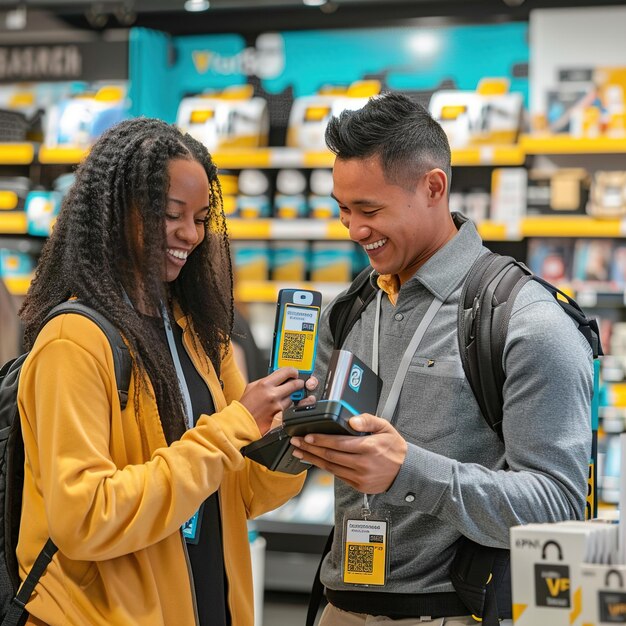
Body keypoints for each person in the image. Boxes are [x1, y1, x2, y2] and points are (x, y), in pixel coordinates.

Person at [289, 92, 593, 625]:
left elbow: (557, 506)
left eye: (370, 210)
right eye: (343, 210)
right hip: (339, 605)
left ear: (434, 187)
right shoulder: (352, 307)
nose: (354, 229)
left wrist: (408, 471)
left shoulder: (527, 321)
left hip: (453, 613)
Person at [16, 117, 313, 626]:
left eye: (200, 217)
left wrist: (293, 440)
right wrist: (233, 427)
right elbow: (85, 518)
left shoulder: (196, 334)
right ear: (116, 212)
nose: (191, 235)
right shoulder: (73, 342)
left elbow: (240, 494)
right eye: (171, 215)